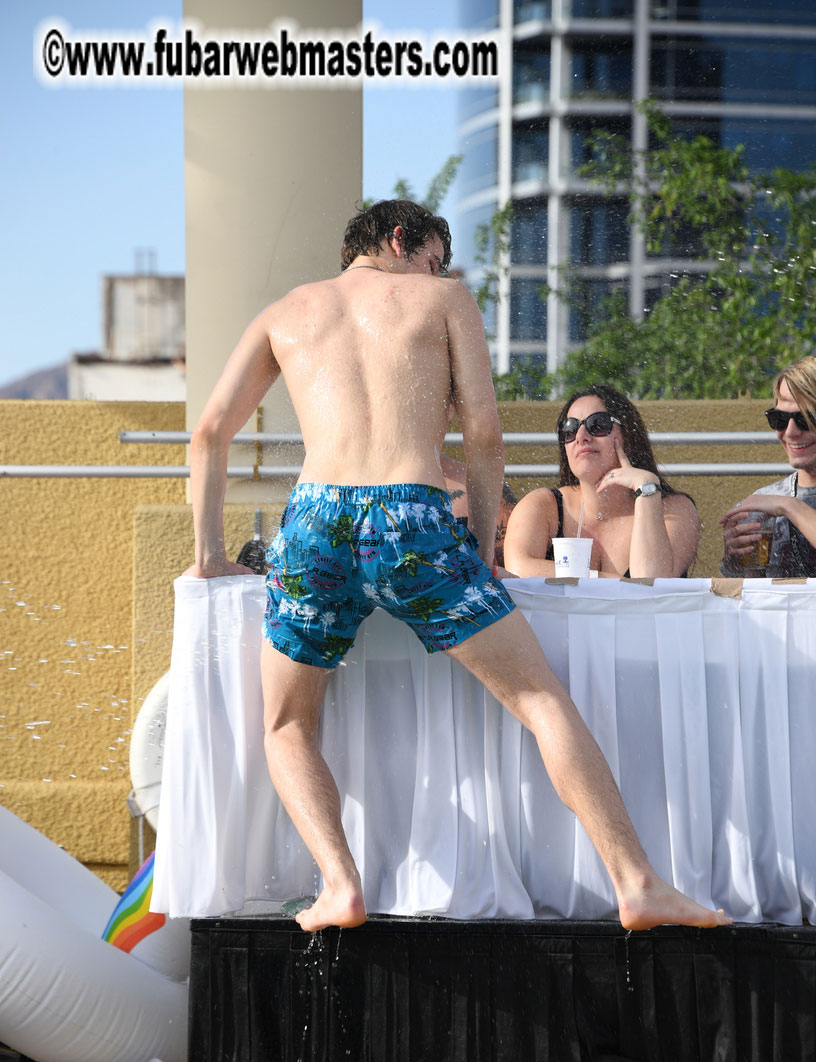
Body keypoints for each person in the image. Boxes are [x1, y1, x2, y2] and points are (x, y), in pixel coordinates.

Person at [187, 199, 728, 934]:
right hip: (411, 513)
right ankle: (635, 882)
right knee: (541, 701)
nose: (440, 272)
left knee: (285, 723)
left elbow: (210, 432)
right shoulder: (442, 298)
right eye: (436, 256)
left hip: (314, 520)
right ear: (404, 240)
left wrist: (210, 554)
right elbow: (484, 433)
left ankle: (340, 885)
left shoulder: (287, 311)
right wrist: (476, 549)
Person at [503, 384, 700, 579]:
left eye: (597, 425)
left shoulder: (673, 510)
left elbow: (653, 585)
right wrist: (616, 583)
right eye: (569, 429)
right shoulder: (544, 506)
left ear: (628, 437)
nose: (581, 437)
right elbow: (518, 570)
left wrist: (646, 489)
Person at [720, 356, 816, 577]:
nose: (790, 432)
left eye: (806, 418)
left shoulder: (777, 502)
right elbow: (747, 597)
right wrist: (736, 561)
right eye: (780, 418)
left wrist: (789, 506)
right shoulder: (764, 502)